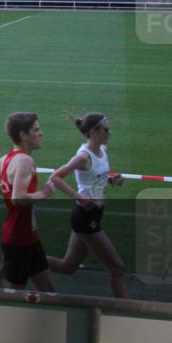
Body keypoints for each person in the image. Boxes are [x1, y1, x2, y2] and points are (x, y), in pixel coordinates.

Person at [46, 112, 128, 298]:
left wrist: (112, 181)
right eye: (106, 129)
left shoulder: (103, 151)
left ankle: (23, 260)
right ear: (94, 131)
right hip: (85, 216)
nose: (110, 132)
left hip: (94, 213)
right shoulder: (83, 157)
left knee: (67, 266)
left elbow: (95, 179)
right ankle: (127, 313)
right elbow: (55, 177)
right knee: (117, 268)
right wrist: (77, 196)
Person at [0, 112, 56, 291]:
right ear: (23, 135)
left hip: (28, 237)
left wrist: (7, 190)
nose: (41, 133)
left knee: (49, 292)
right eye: (36, 130)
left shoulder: (5, 158)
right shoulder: (24, 161)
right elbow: (18, 198)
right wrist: (44, 192)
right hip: (19, 240)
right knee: (13, 297)